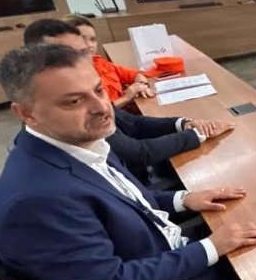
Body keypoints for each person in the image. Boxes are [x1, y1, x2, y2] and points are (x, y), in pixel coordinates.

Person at [0, 43, 256, 280]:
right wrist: (212, 246)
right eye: (74, 101)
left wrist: (183, 199)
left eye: (97, 90)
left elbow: (125, 200)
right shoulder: (35, 202)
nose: (102, 107)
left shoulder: (75, 142)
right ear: (25, 113)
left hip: (155, 252)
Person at [22, 19, 232, 183]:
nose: (100, 106)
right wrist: (198, 134)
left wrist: (184, 123)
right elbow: (137, 153)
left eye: (84, 52)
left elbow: (133, 123)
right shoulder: (64, 125)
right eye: (66, 56)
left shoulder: (89, 93)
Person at [62, 15, 153, 108]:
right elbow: (97, 112)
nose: (90, 45)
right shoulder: (69, 77)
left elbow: (135, 74)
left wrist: (142, 86)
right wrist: (126, 98)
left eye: (93, 39)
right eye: (82, 39)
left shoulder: (99, 62)